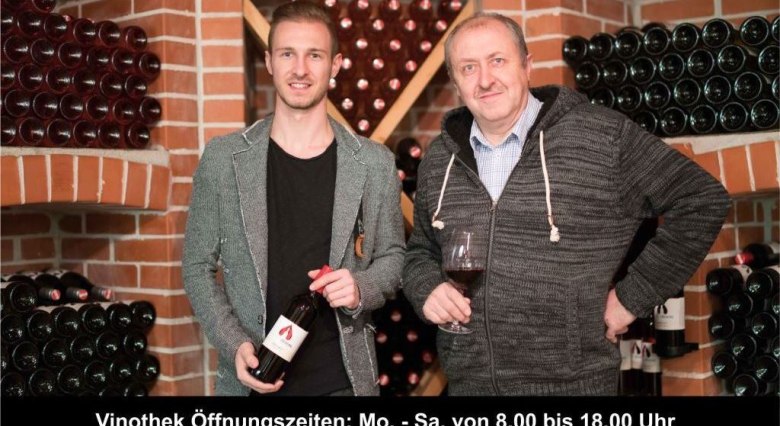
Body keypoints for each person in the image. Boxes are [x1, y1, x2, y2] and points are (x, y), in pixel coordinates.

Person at [402, 13, 730, 395]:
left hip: (574, 387)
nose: (485, 79)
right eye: (468, 68)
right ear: (456, 82)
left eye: (497, 60)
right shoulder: (440, 158)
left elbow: (701, 199)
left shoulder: (600, 137)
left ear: (527, 66)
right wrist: (426, 288)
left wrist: (631, 297)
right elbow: (420, 252)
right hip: (469, 386)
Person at [182, 1, 404, 396]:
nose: (300, 70)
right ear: (269, 61)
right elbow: (196, 267)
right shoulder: (223, 158)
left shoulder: (374, 163)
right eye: (288, 54)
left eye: (314, 55)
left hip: (344, 385)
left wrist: (360, 288)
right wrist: (235, 344)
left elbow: (392, 258)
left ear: (335, 64)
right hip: (252, 381)